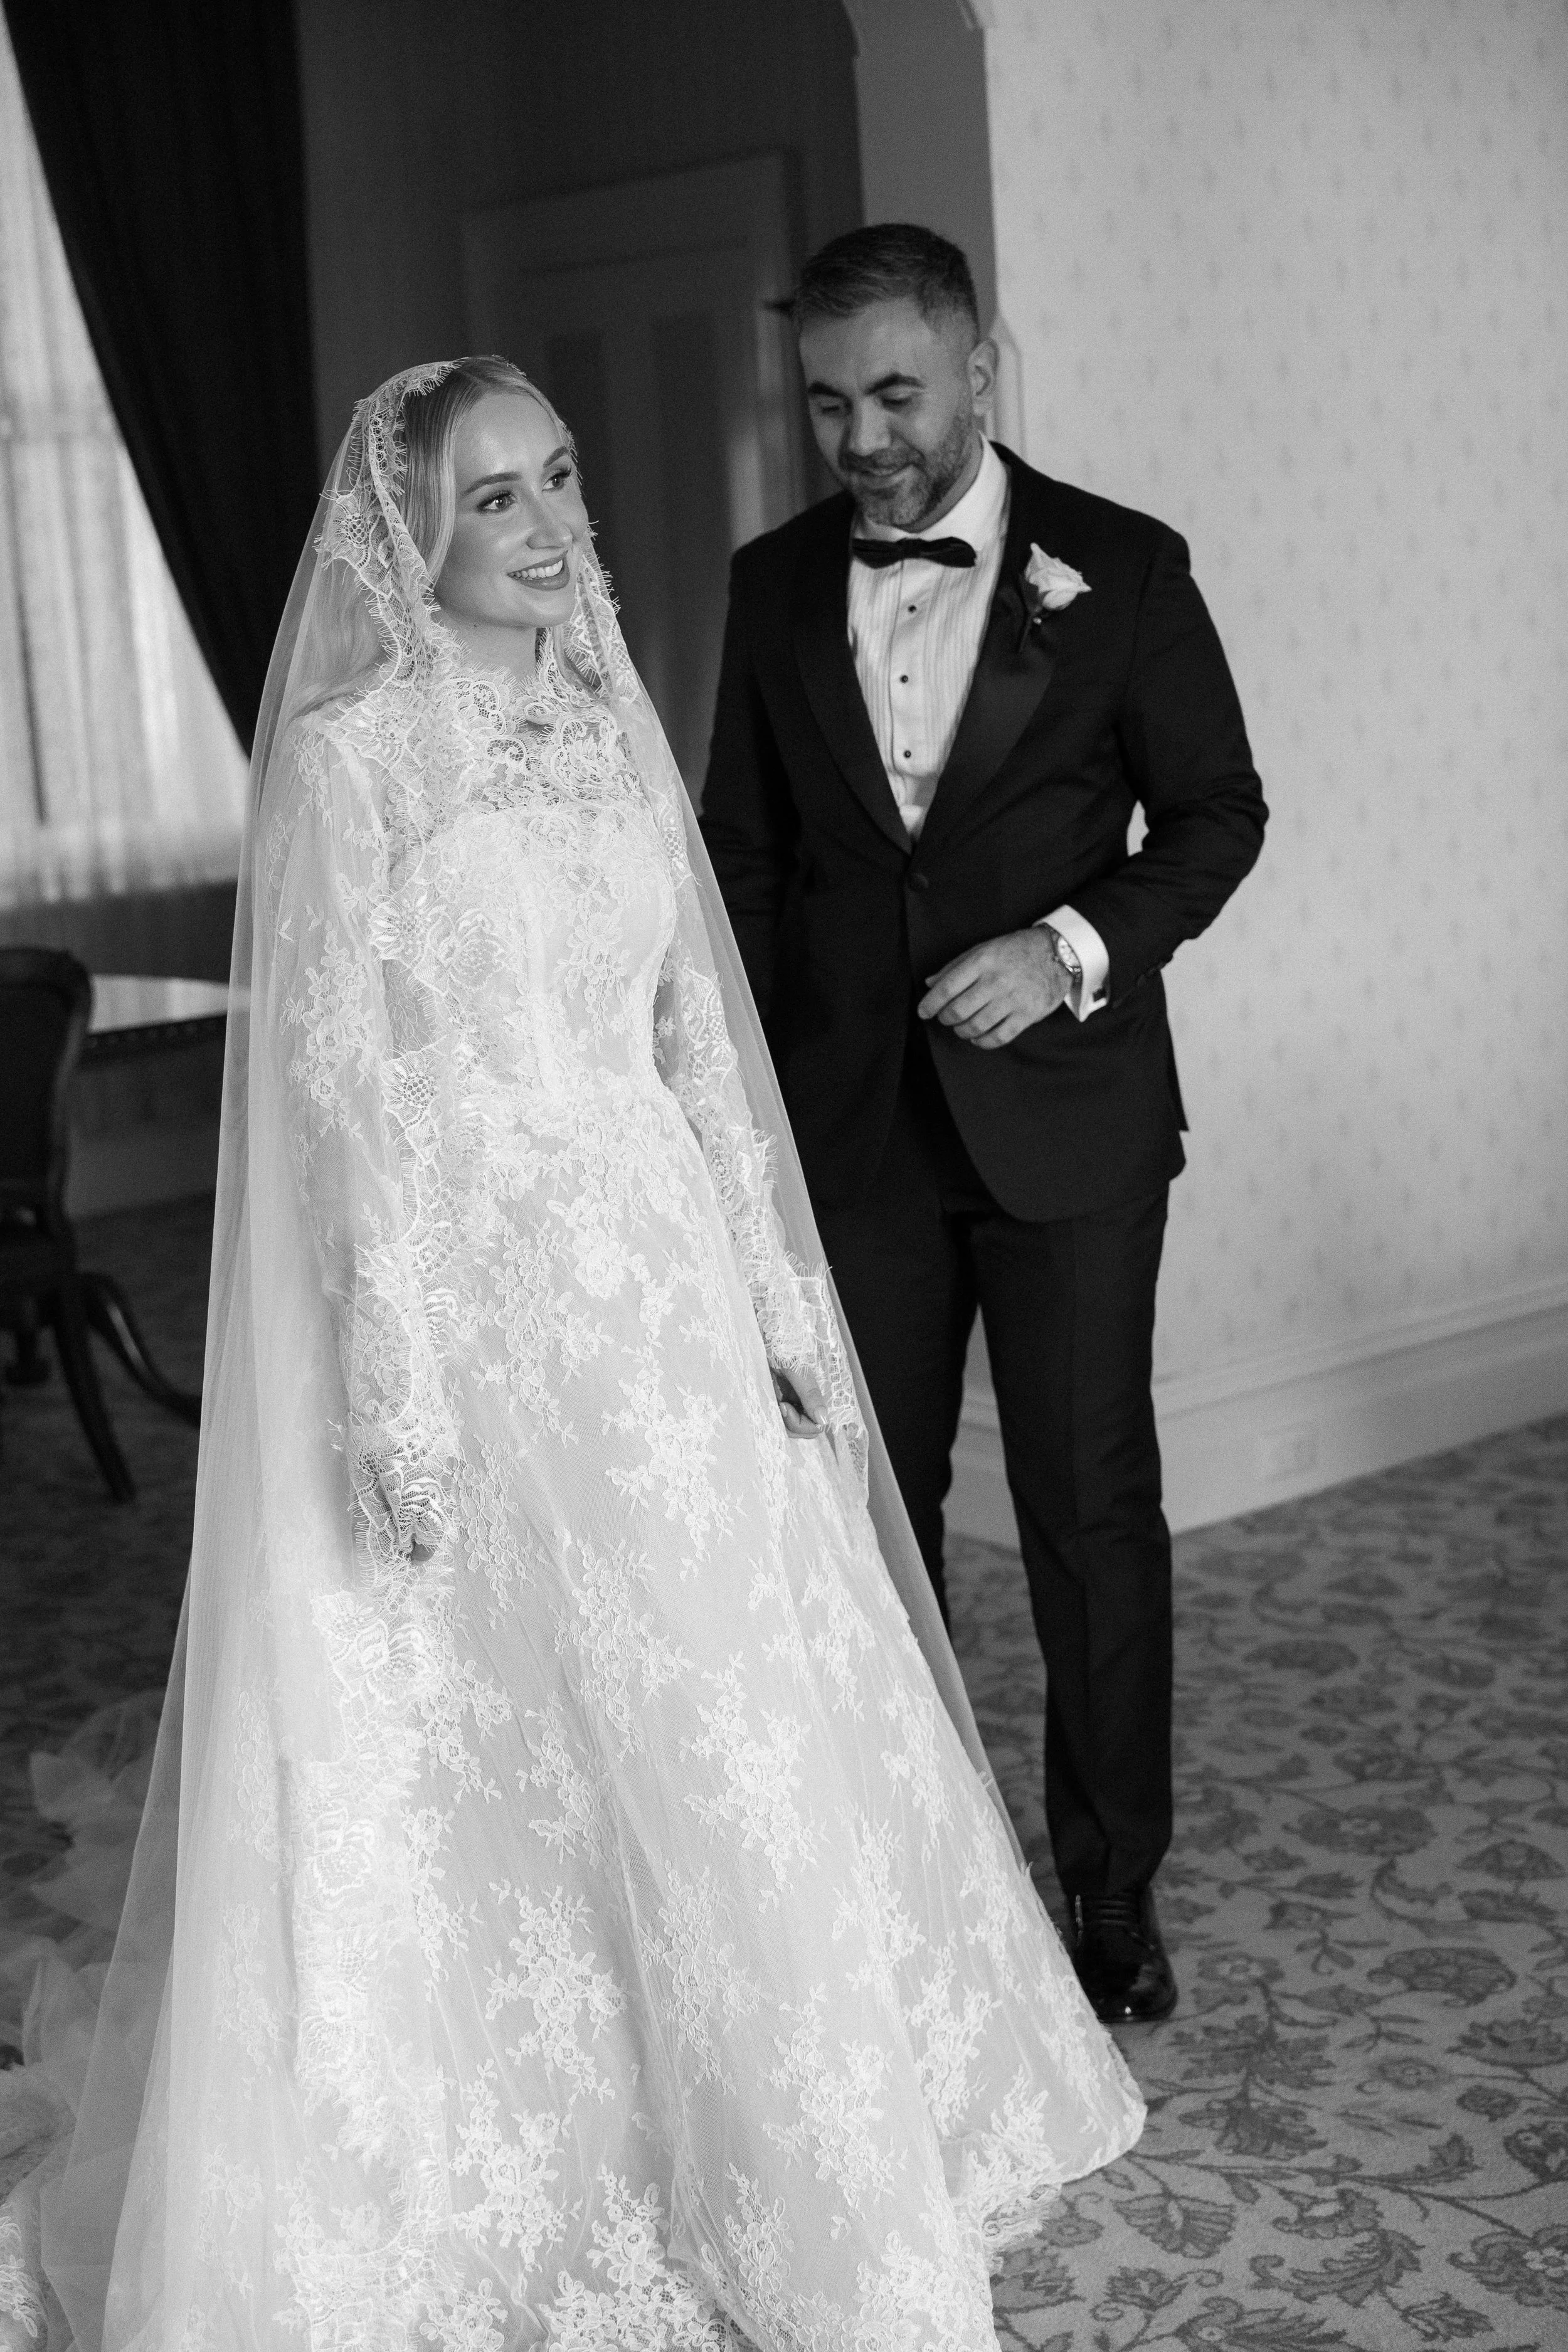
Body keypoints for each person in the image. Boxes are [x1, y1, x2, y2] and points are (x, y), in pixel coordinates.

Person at [1, 358, 1143, 2352]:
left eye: (558, 481)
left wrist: (784, 1314)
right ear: (409, 540)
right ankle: (553, 2155)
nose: (548, 528)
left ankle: (791, 2131)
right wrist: (389, 1385)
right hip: (477, 1298)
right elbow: (345, 1101)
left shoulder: (612, 716)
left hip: (660, 1283)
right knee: (520, 1730)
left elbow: (696, 1035)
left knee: (723, 1702)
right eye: (493, 500)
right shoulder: (356, 763)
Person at [701, 226, 1267, 2030]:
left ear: (978, 364)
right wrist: (746, 1103)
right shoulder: (771, 582)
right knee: (863, 1514)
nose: (861, 436)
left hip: (1070, 1127)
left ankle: (1110, 1885)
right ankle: (904, 1870)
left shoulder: (1127, 566)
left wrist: (1069, 944)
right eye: (825, 401)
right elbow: (750, 854)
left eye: (895, 392)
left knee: (1090, 1512)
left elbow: (1215, 815)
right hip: (852, 1131)